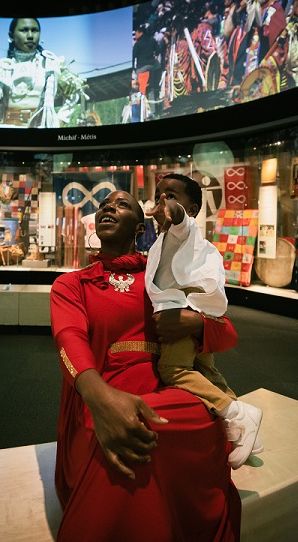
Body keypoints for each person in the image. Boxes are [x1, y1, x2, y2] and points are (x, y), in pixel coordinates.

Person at [51, 189, 243, 541]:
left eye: (121, 204)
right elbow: (69, 340)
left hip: (167, 397)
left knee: (198, 414)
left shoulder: (163, 278)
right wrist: (102, 400)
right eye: (104, 204)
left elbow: (227, 333)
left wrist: (196, 324)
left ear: (140, 226)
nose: (109, 206)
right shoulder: (71, 284)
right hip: (100, 400)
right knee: (120, 428)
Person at [145, 173, 263, 469]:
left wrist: (175, 212)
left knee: (173, 368)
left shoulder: (181, 230)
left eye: (171, 195)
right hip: (195, 310)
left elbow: (181, 220)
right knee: (207, 372)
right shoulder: (163, 239)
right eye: (159, 194)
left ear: (193, 209)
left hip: (180, 311)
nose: (163, 200)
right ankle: (244, 430)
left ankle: (237, 414)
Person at [0, 17, 88, 128]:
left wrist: (60, 121)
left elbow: (73, 93)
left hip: (41, 134)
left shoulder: (51, 66)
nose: (30, 35)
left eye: (34, 30)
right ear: (11, 35)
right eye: (24, 30)